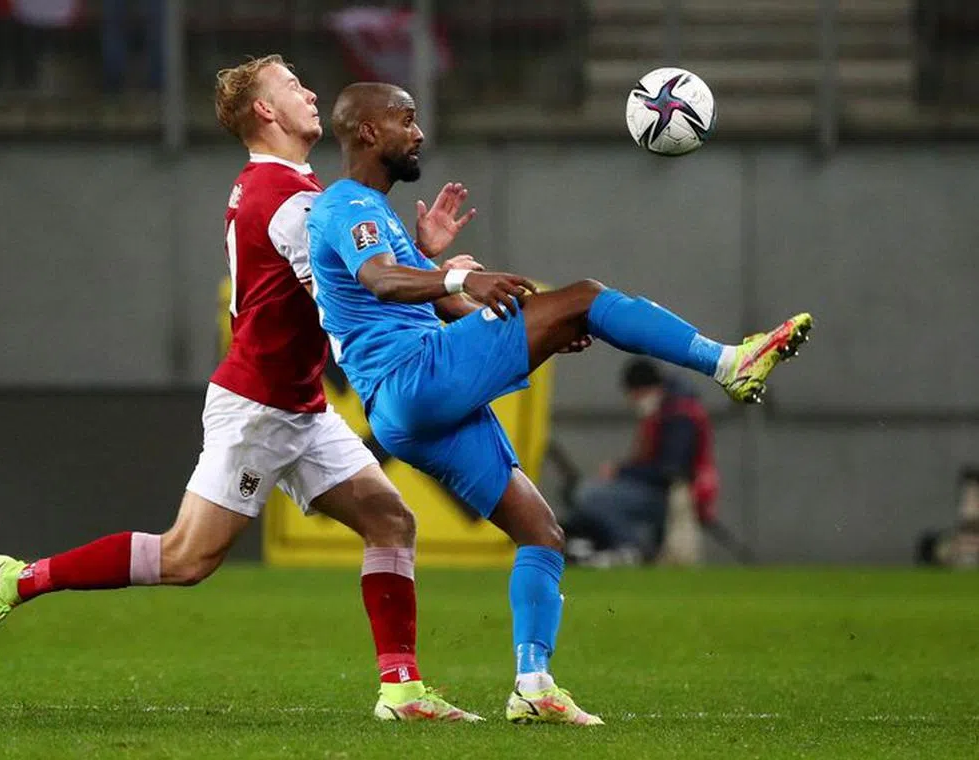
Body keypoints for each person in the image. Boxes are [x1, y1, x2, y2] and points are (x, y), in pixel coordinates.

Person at [0, 55, 483, 723]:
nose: (310, 92)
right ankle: (19, 579)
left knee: (389, 520)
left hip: (297, 402)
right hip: (259, 407)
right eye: (291, 87)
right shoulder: (293, 203)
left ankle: (402, 690)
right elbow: (355, 298)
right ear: (265, 112)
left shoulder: (285, 186)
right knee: (186, 558)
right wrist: (440, 278)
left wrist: (421, 260)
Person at [307, 81, 812, 726]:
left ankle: (533, 683)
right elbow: (381, 279)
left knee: (541, 530)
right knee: (585, 294)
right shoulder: (346, 204)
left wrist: (458, 277)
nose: (419, 132)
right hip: (416, 377)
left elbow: (438, 302)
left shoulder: (372, 214)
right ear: (369, 133)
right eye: (406, 119)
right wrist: (464, 275)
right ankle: (728, 362)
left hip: (414, 399)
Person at [563, 358, 718, 566]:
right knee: (590, 495)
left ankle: (630, 549)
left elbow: (670, 470)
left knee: (590, 496)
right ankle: (618, 548)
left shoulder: (678, 415)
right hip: (661, 491)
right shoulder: (671, 410)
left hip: (670, 496)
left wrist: (622, 472)